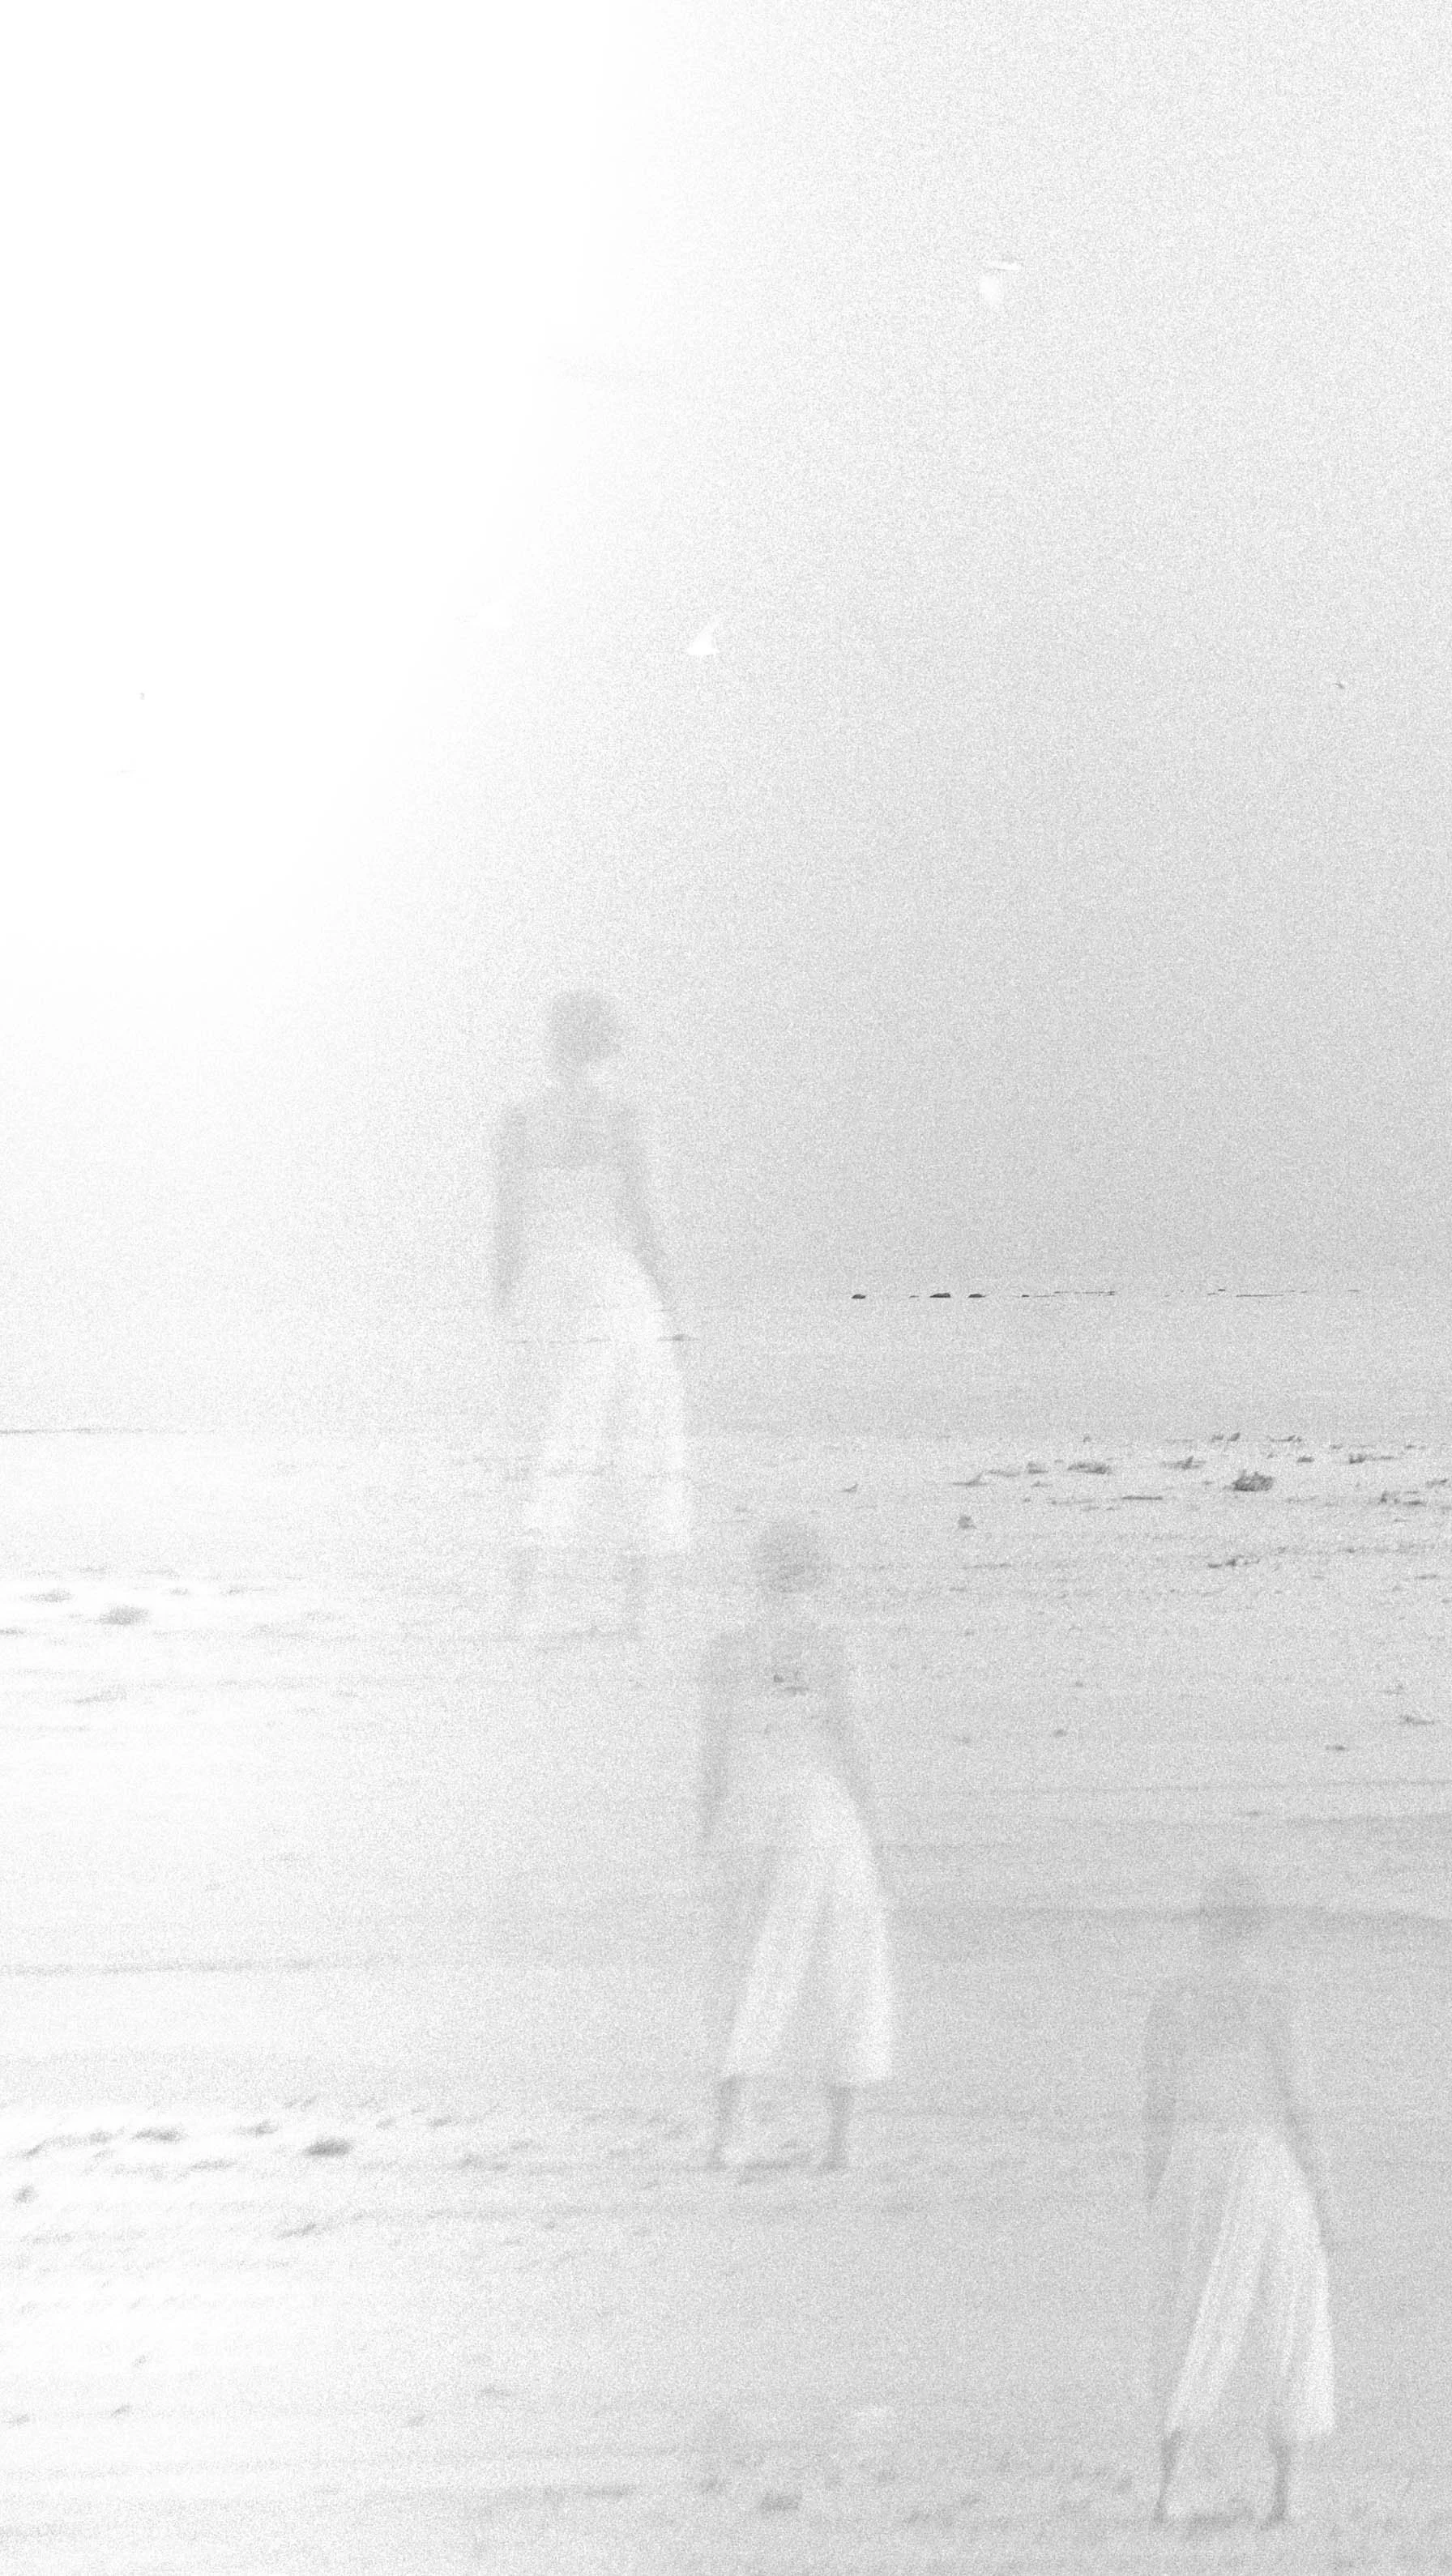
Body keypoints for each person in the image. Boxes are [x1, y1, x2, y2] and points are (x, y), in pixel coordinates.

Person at [1142, 1866, 1337, 2528]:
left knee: (1190, 2323)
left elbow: (1156, 2109)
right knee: (1291, 2319)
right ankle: (1285, 2499)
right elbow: (1300, 2104)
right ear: (1258, 1927)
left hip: (1192, 2166)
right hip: (1261, 2164)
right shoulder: (1274, 1996)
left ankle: (1169, 2492)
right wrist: (1327, 2199)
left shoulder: (1172, 1998)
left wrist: (1157, 2188)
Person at [698, 1516, 895, 2171]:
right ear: (821, 1574)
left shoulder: (727, 1651)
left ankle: (731, 2133)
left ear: (760, 1575)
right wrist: (881, 1837)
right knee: (848, 1971)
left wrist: (709, 1835)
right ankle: (842, 2143)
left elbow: (713, 1756)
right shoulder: (834, 1646)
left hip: (748, 1812)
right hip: (820, 1815)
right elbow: (856, 1745)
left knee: (746, 1972)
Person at [494, 990, 690, 1637]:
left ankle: (524, 1607)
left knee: (546, 1441)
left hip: (544, 1287)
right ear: (614, 1044)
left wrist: (506, 1308)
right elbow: (646, 1218)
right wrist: (672, 1305)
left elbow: (507, 1224)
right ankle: (637, 1616)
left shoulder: (519, 1121)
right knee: (641, 1438)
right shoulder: (624, 1118)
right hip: (612, 1284)